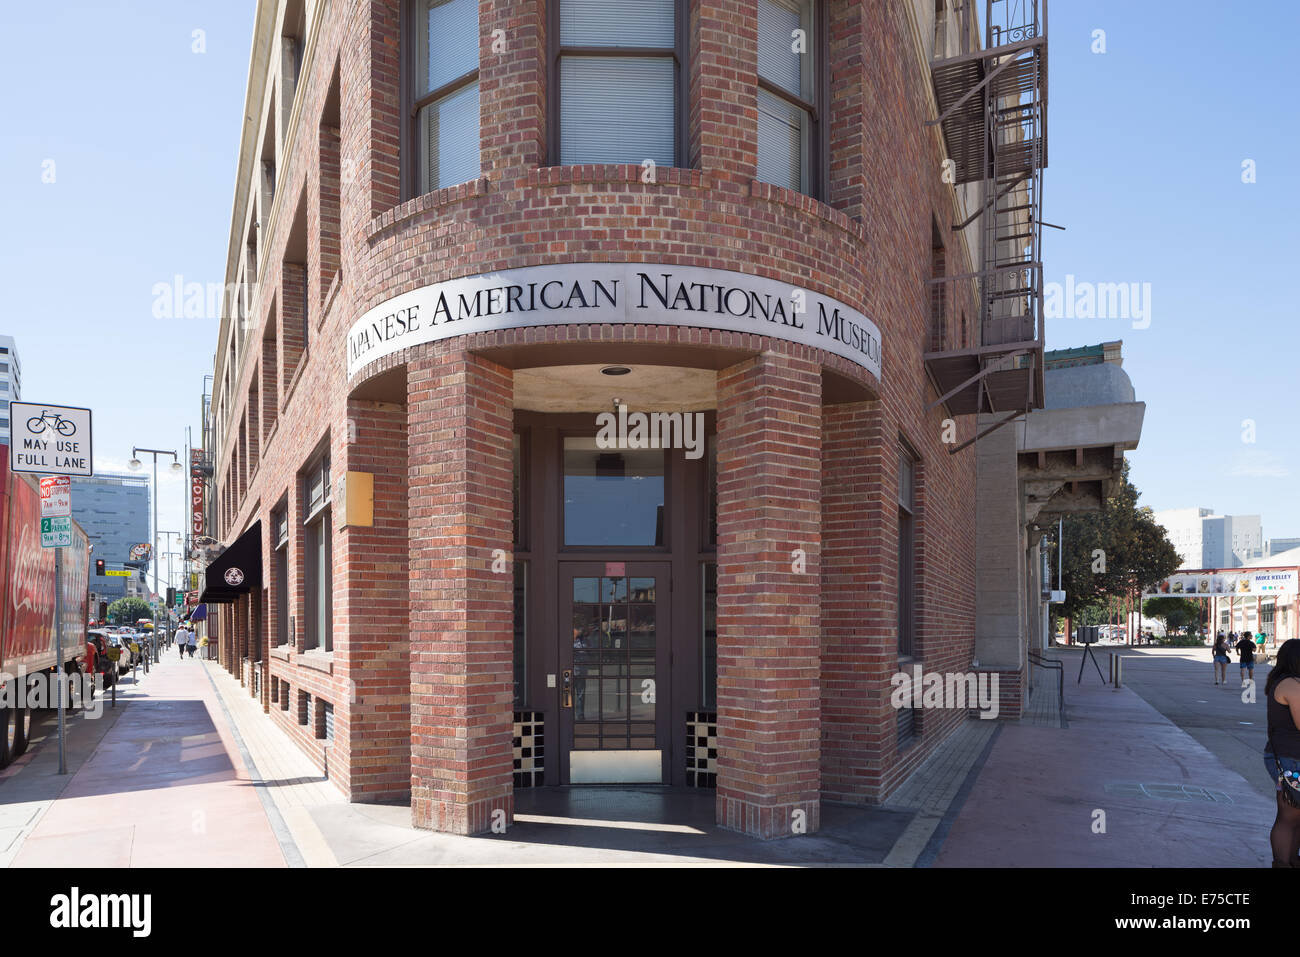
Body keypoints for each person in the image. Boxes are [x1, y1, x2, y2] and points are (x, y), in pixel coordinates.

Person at [1265, 638, 1300, 866]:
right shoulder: (1291, 685)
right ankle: (1283, 863)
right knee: (1289, 817)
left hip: (1288, 758)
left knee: (1294, 816)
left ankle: (1290, 861)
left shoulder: (1284, 681)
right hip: (1291, 761)